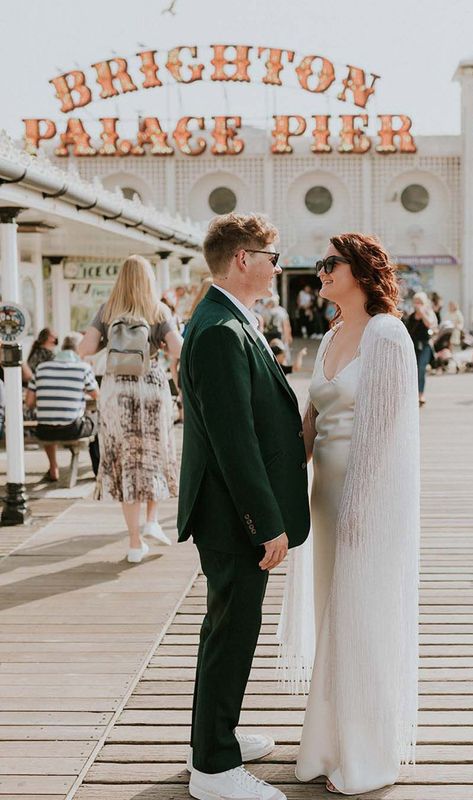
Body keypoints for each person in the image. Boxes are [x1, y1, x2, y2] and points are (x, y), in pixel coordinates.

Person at [279, 233, 420, 795]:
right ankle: (330, 742)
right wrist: (285, 486)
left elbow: (385, 430)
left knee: (361, 617)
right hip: (324, 497)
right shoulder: (333, 333)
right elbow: (310, 422)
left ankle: (367, 754)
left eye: (329, 263)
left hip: (369, 500)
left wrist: (360, 508)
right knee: (331, 618)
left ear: (360, 271)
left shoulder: (387, 334)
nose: (320, 271)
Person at [177, 213, 310, 800]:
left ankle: (213, 736)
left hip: (232, 509)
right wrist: (266, 522)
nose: (278, 267)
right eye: (272, 257)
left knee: (227, 627)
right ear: (243, 259)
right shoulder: (217, 330)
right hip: (232, 514)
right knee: (232, 630)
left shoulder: (231, 318)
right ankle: (213, 768)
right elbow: (234, 441)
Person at [79, 255, 183, 562]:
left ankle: (135, 543)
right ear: (149, 280)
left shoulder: (108, 311)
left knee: (126, 461)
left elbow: (84, 349)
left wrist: (108, 343)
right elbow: (178, 348)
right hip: (150, 385)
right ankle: (152, 521)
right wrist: (161, 343)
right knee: (153, 455)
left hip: (116, 391)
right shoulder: (158, 310)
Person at [26, 332, 99, 482]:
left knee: (50, 419)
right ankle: (98, 469)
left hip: (44, 430)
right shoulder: (82, 368)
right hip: (71, 429)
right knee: (97, 420)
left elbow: (29, 403)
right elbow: (97, 396)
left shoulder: (41, 368)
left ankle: (53, 467)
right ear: (79, 349)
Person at [405, 291, 437, 406]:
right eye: (416, 302)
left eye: (420, 302)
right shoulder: (411, 315)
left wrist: (422, 313)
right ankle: (411, 394)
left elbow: (430, 324)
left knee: (421, 368)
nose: (417, 304)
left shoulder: (428, 313)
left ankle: (420, 394)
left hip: (425, 345)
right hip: (413, 345)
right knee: (412, 369)